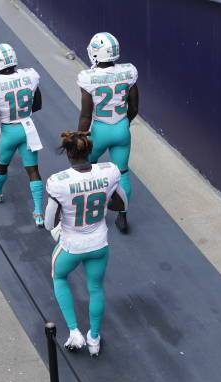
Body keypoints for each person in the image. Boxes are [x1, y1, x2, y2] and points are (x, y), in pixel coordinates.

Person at [44, 131, 127, 356]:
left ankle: (74, 332)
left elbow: (49, 222)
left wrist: (62, 218)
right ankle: (94, 338)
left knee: (59, 277)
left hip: (72, 244)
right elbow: (121, 204)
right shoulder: (109, 172)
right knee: (96, 289)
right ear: (89, 150)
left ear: (68, 153)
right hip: (99, 243)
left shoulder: (58, 182)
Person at [77, 32, 138, 233]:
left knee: (87, 168)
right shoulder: (129, 72)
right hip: (121, 127)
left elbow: (86, 115)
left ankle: (91, 210)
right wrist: (123, 124)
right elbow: (134, 108)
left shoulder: (88, 78)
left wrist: (79, 136)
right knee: (122, 172)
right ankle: (122, 216)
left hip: (99, 129)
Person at [0, 43, 45, 227]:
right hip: (28, 128)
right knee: (33, 169)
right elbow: (38, 105)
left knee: (2, 165)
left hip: (9, 131)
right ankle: (39, 213)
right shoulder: (30, 77)